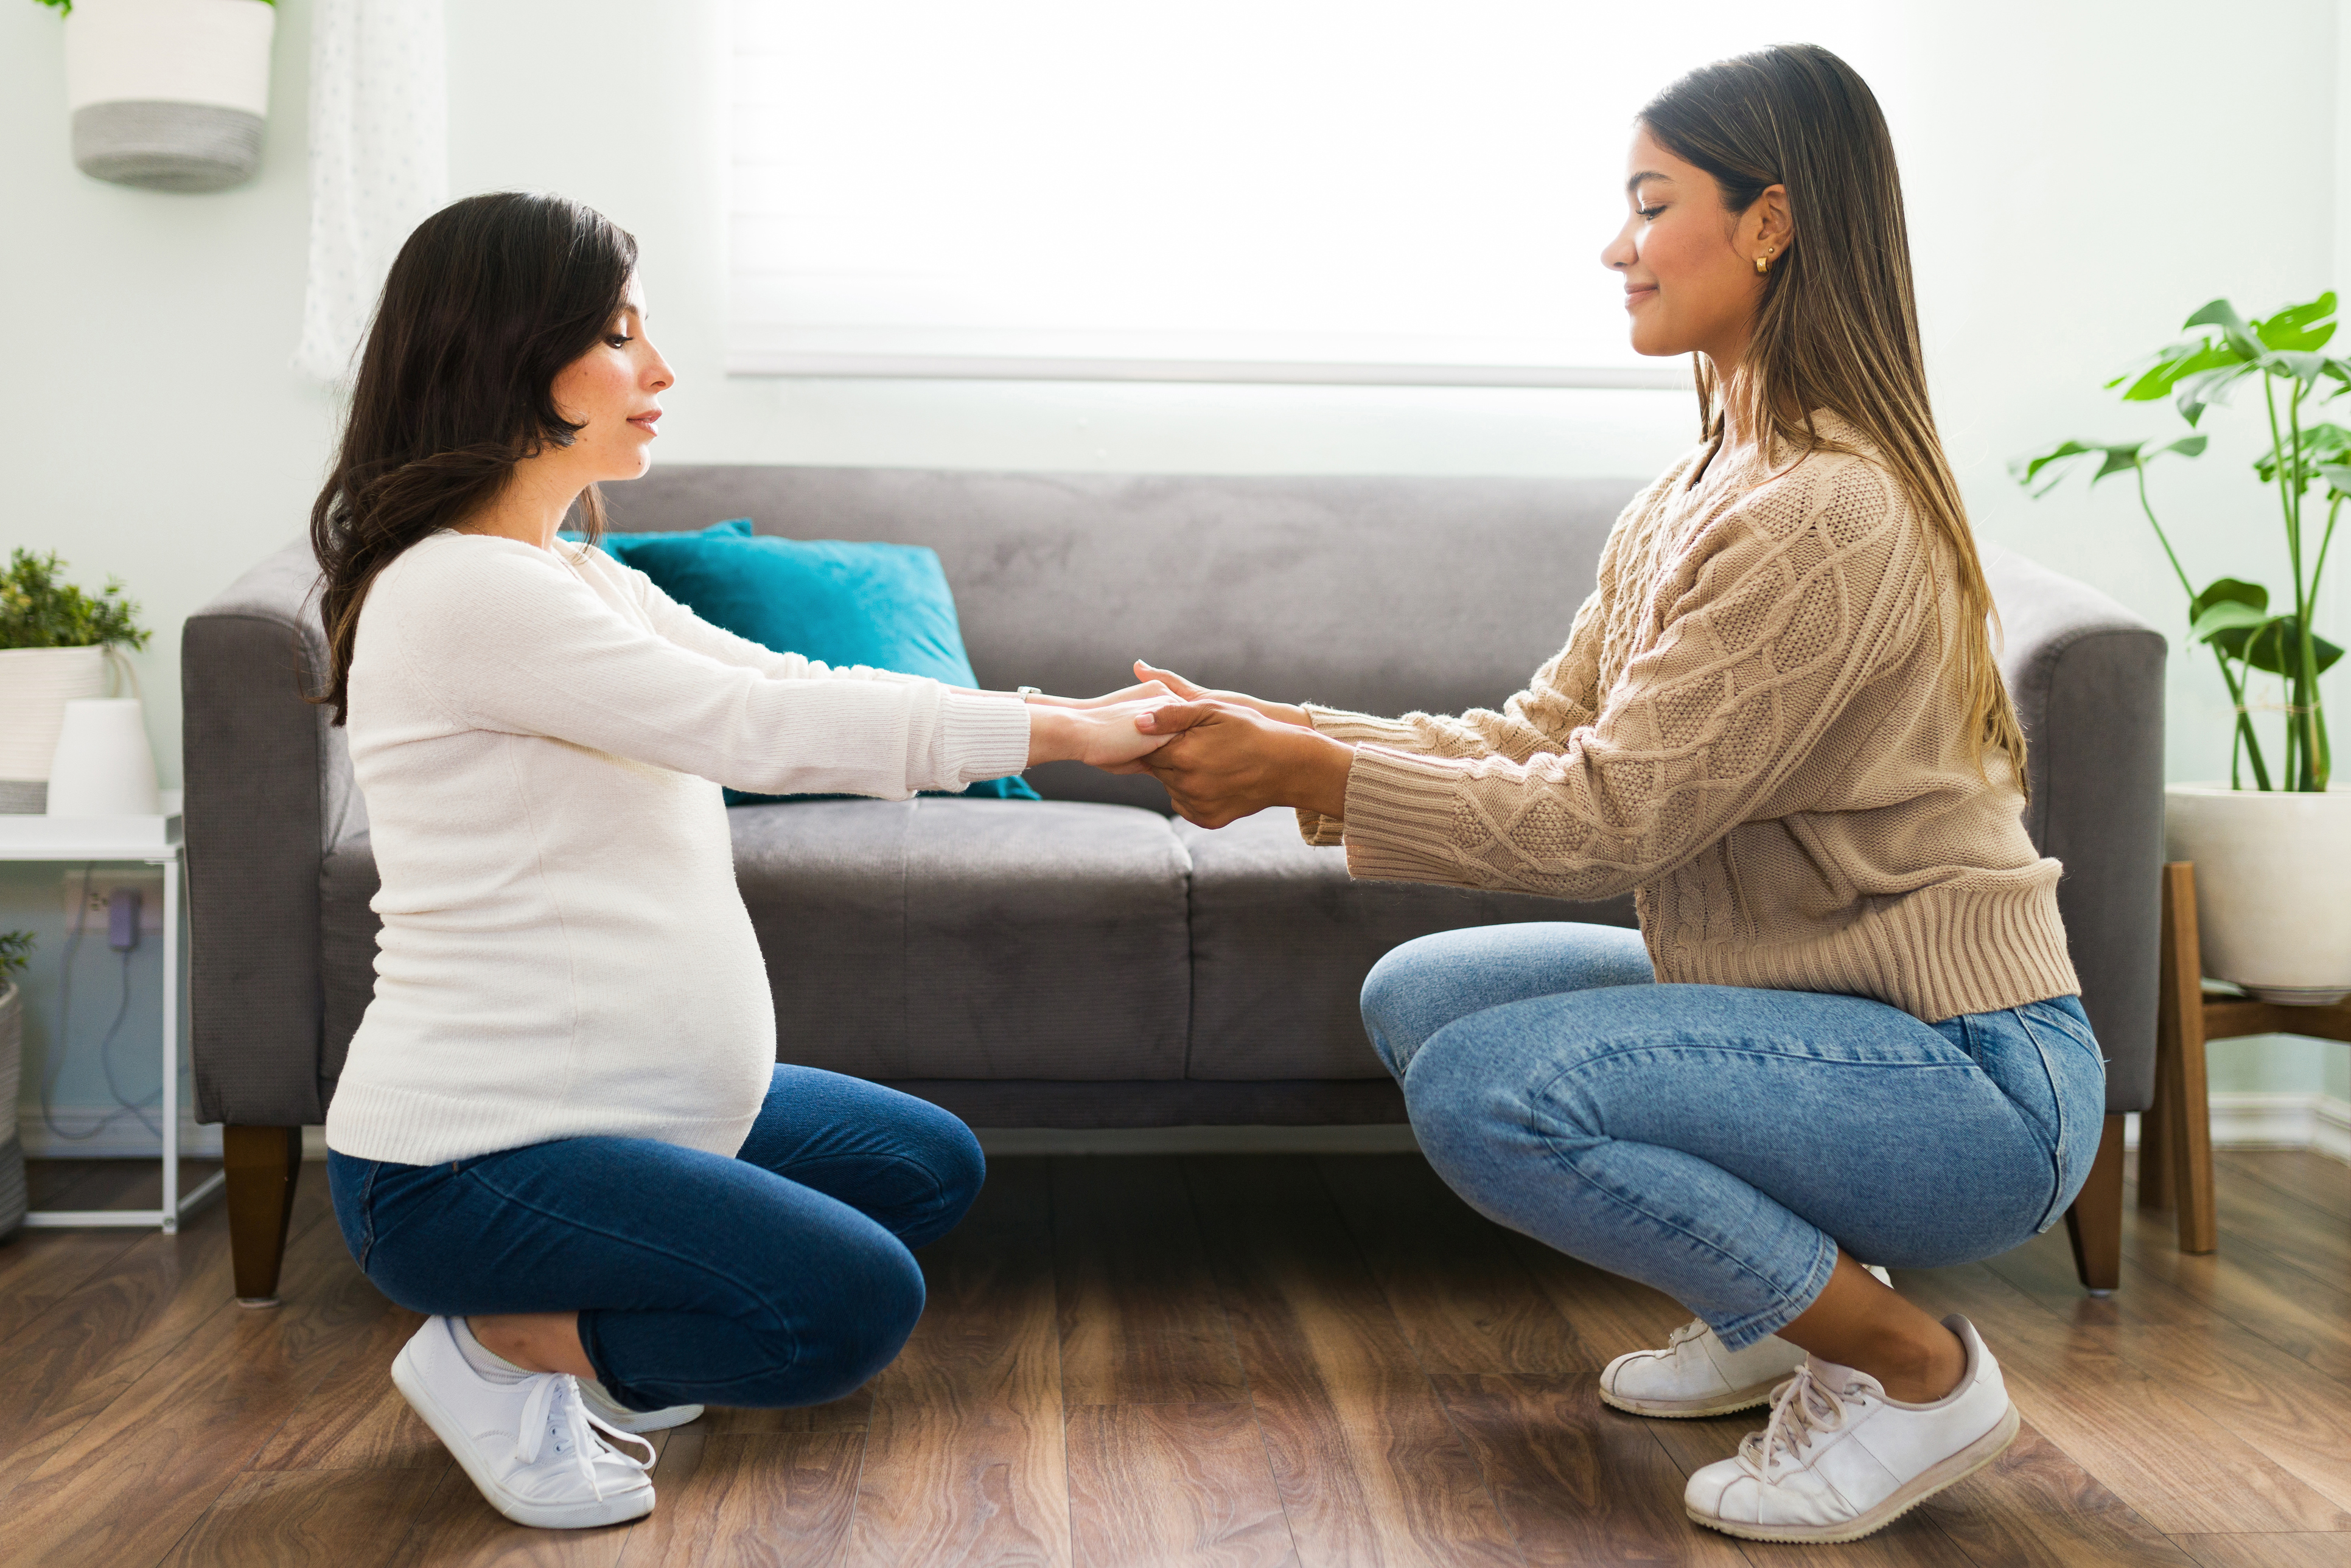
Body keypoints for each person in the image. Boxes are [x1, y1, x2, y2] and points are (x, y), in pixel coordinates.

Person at [1125, 44, 2103, 1547]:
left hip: (1969, 1077)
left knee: (1483, 1088)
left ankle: (1913, 1367)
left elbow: (1607, 816)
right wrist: (1288, 731)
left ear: (1769, 221)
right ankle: (1779, 1313)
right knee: (1426, 995)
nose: (1616, 245)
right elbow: (1545, 729)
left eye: (1651, 203)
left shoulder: (1826, 510)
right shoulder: (1700, 483)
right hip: (1834, 1018)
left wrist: (1311, 775)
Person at [310, 192, 1176, 1530]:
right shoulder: (460, 589)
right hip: (470, 1159)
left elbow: (779, 674)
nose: (659, 374)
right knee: (844, 1308)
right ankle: (500, 1344)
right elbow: (758, 727)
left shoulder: (574, 574)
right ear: (505, 354)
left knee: (925, 1164)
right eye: (616, 338)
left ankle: (599, 1315)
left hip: (618, 1109)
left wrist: (1065, 712)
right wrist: (1064, 732)